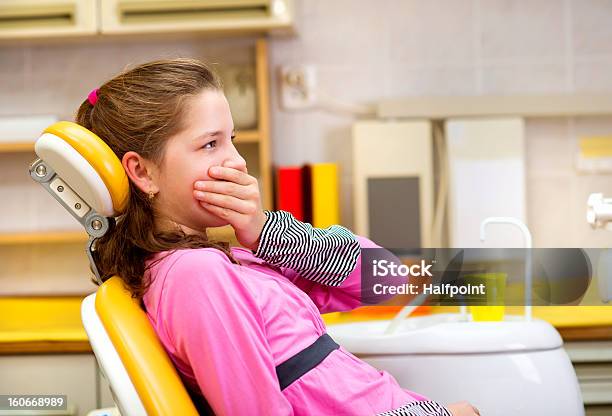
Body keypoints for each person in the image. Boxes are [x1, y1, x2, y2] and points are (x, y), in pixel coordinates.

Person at [76, 59, 480, 416]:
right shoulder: (195, 276)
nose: (237, 161)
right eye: (210, 144)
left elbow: (387, 279)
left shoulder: (239, 261)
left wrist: (266, 231)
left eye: (231, 140)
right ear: (142, 172)